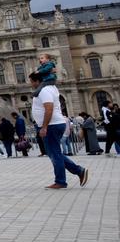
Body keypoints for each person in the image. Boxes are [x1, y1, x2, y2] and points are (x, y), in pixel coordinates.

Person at [30, 58, 88, 189]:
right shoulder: (50, 88)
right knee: (54, 153)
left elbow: (49, 108)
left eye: (32, 81)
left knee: (54, 153)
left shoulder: (44, 91)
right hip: (53, 124)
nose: (31, 84)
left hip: (51, 126)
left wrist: (44, 126)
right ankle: (78, 171)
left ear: (38, 81)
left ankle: (62, 180)